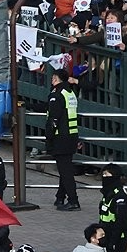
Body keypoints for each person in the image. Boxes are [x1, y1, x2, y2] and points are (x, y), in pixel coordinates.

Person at [45, 68, 80, 211]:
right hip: (72, 135)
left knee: (65, 172)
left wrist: (49, 137)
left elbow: (53, 118)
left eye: (53, 77)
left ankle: (73, 200)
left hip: (61, 138)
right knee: (64, 169)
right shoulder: (70, 93)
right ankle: (60, 197)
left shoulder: (57, 95)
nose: (52, 80)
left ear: (57, 79)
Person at [98, 164, 127, 252]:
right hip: (106, 238)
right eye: (103, 174)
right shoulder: (107, 194)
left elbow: (121, 222)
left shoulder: (120, 197)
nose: (104, 177)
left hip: (118, 241)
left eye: (107, 175)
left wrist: (113, 241)